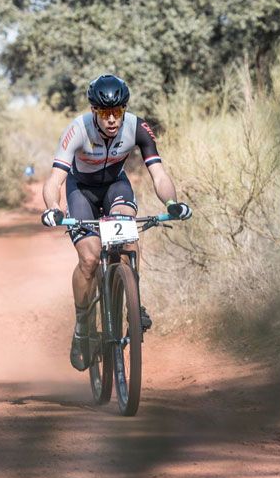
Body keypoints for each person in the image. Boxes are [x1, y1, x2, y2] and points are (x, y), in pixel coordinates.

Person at [41, 74, 191, 371]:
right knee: (90, 257)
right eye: (105, 113)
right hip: (80, 189)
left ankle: (133, 303)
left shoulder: (137, 128)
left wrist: (172, 204)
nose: (112, 120)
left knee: (128, 236)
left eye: (117, 112)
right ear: (94, 111)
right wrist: (53, 208)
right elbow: (55, 179)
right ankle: (83, 324)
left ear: (124, 109)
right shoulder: (77, 130)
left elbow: (158, 174)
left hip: (115, 186)